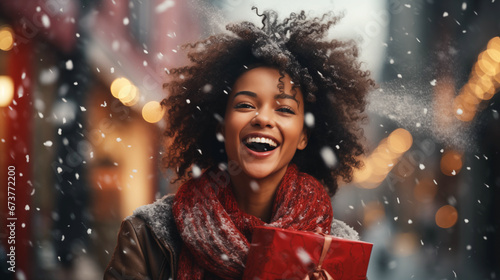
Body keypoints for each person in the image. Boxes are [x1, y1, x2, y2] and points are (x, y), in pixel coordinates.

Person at [104, 8, 374, 280]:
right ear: (221, 126)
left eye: (284, 109)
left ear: (304, 135)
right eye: (245, 104)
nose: (263, 118)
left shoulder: (335, 254)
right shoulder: (148, 237)